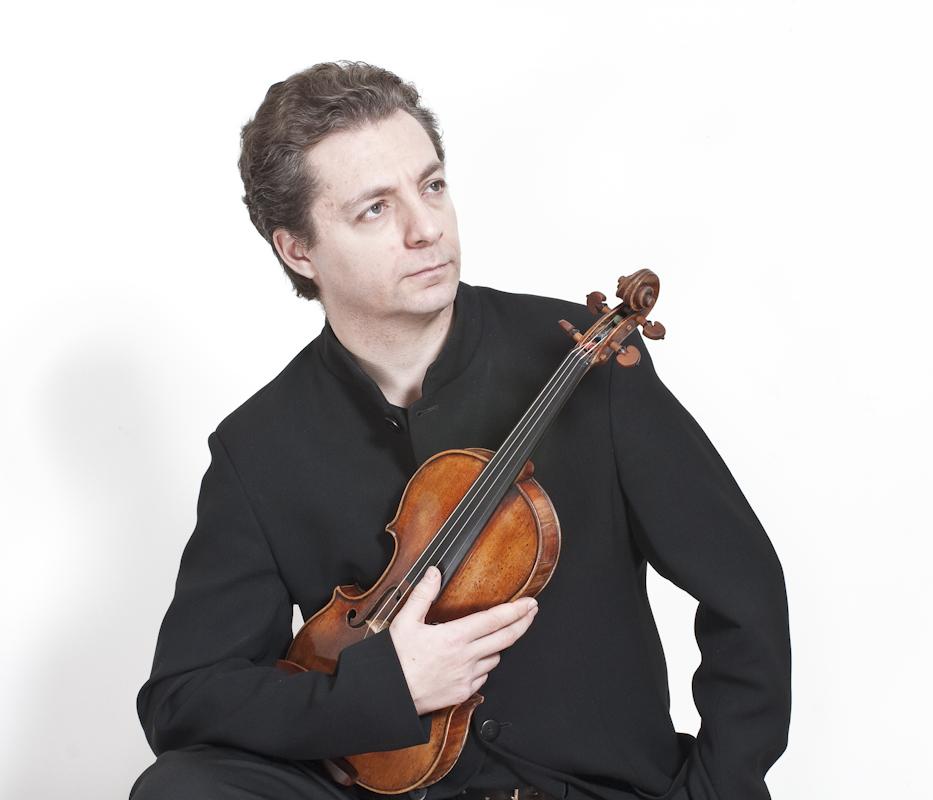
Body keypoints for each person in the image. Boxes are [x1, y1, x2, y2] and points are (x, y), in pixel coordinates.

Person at [130, 61, 791, 800]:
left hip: (590, 790)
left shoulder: (584, 360)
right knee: (180, 789)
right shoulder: (259, 446)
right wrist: (381, 689)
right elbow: (185, 698)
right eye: (375, 209)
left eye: (432, 185)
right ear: (298, 249)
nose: (426, 229)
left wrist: (718, 788)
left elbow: (746, 590)